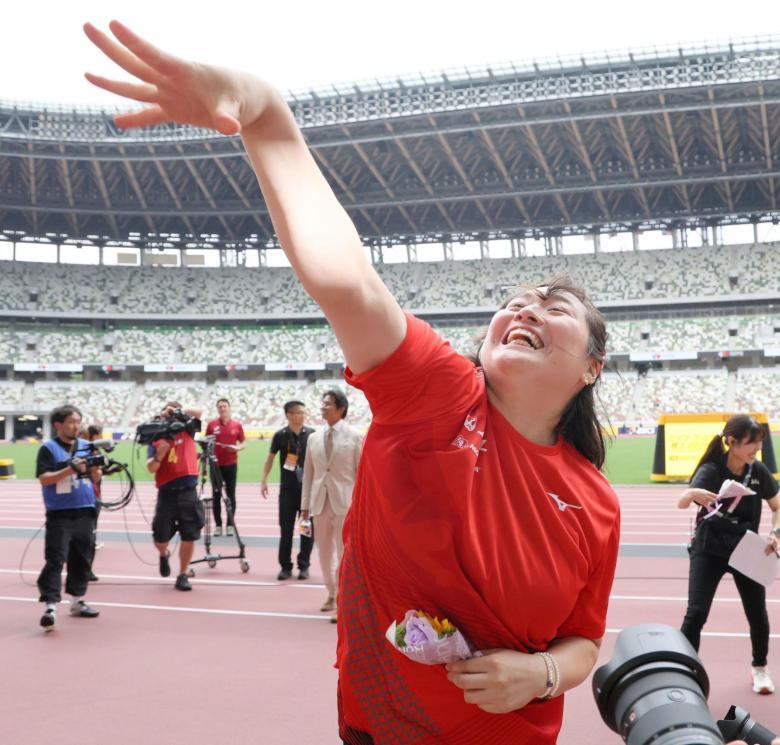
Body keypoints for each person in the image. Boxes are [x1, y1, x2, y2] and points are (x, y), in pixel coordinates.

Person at [84, 24, 620, 744]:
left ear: (592, 366)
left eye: (554, 307)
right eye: (515, 300)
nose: (525, 308)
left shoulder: (596, 501)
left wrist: (542, 674)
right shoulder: (441, 392)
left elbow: (584, 641)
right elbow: (347, 279)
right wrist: (266, 115)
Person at [677, 415, 780, 695]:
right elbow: (682, 501)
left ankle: (760, 668)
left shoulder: (757, 470)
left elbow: (777, 508)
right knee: (696, 613)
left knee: (757, 613)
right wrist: (694, 494)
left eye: (759, 444)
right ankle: (685, 671)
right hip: (709, 548)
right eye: (752, 444)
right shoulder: (711, 470)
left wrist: (776, 533)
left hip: (745, 547)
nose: (756, 450)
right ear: (732, 442)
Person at [300, 389, 363, 620]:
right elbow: (309, 474)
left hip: (345, 504)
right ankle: (330, 591)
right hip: (319, 503)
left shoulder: (355, 437)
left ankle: (342, 600)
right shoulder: (313, 438)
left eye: (328, 404)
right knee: (324, 553)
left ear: (341, 408)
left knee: (344, 554)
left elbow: (362, 475)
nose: (323, 407)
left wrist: (360, 505)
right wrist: (304, 505)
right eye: (322, 403)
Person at [36, 405, 100, 631]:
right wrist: (69, 470)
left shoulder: (87, 446)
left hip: (85, 509)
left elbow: (96, 476)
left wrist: (97, 469)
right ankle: (50, 606)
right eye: (71, 421)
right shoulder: (48, 449)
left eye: (78, 421)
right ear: (58, 425)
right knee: (56, 558)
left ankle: (77, 600)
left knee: (82, 557)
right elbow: (44, 478)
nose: (76, 426)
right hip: (60, 513)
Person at [146, 402, 204, 591]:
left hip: (188, 490)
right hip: (167, 493)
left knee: (189, 535)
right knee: (159, 538)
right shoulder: (156, 436)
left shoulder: (188, 429)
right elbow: (151, 468)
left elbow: (199, 411)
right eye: (167, 413)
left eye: (173, 413)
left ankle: (182, 573)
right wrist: (159, 455)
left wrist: (180, 411)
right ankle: (164, 554)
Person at [261, 400, 314, 580]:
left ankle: (304, 565)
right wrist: (264, 480)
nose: (303, 415)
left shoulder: (312, 434)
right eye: (299, 412)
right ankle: (285, 566)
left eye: (303, 412)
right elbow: (269, 459)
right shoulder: (280, 436)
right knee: (286, 530)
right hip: (287, 491)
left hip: (307, 492)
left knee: (306, 529)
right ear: (289, 415)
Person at [205, 398, 246, 536]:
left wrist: (237, 448)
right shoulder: (211, 425)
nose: (223, 409)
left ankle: (230, 524)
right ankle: (218, 525)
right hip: (215, 465)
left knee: (231, 495)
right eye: (220, 406)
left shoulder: (237, 425)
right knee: (216, 495)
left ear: (229, 408)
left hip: (231, 464)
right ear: (217, 409)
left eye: (225, 406)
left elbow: (243, 442)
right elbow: (206, 443)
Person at [80, 423, 104, 581]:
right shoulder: (74, 452)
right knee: (80, 537)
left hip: (93, 496)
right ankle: (81, 569)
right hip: (79, 499)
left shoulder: (93, 451)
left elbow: (97, 475)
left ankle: (87, 569)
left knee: (90, 536)